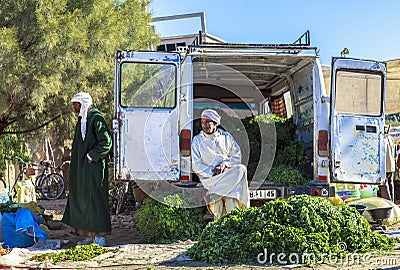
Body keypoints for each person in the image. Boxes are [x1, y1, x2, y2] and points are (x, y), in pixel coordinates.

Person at [62, 92, 112, 246]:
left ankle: (99, 236)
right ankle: (89, 235)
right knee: (84, 200)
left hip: (93, 169)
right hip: (82, 170)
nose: (74, 107)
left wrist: (91, 156)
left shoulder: (96, 119)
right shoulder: (82, 120)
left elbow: (106, 142)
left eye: (76, 104)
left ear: (83, 104)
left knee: (95, 200)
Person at [191, 109, 249, 219]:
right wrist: (213, 172)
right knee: (232, 191)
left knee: (241, 169)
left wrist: (225, 164)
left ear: (216, 123)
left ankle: (214, 195)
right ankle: (216, 194)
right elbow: (196, 165)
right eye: (203, 122)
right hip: (210, 178)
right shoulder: (197, 140)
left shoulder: (226, 137)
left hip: (227, 174)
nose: (204, 125)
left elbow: (237, 156)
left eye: (208, 122)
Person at [380, 125, 396, 202]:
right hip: (391, 165)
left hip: (385, 166)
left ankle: (388, 200)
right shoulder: (390, 138)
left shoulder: (383, 139)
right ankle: (392, 200)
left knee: (385, 184)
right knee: (390, 183)